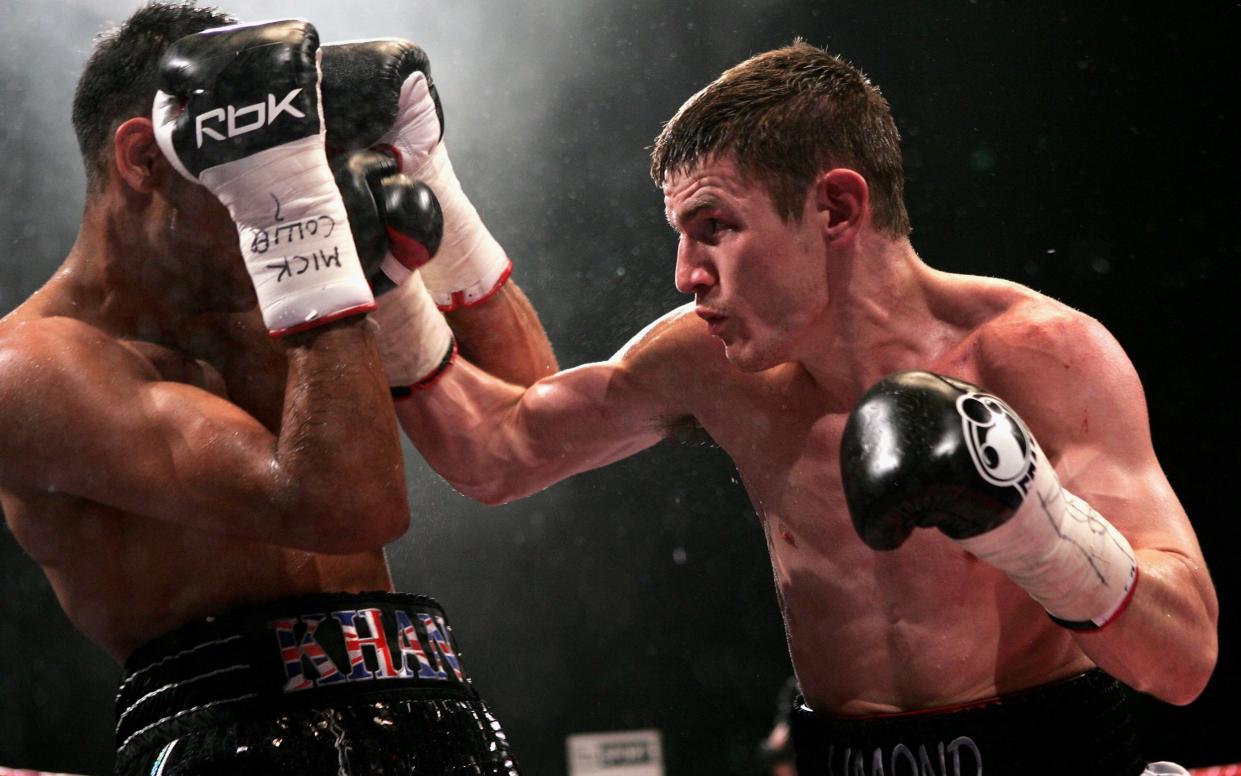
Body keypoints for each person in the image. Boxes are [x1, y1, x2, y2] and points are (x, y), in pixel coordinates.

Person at [393, 41, 1219, 774]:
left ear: (834, 208)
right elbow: (496, 455)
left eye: (714, 226)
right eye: (680, 234)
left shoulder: (1039, 355)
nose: (686, 273)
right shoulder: (706, 361)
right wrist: (385, 271)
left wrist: (1034, 525)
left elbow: (1182, 661)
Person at [0, 4, 553, 775]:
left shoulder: (282, 295)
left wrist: (434, 184)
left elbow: (531, 428)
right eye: (263, 154)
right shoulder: (35, 367)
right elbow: (343, 507)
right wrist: (295, 219)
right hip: (237, 743)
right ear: (145, 159)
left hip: (441, 715)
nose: (298, 180)